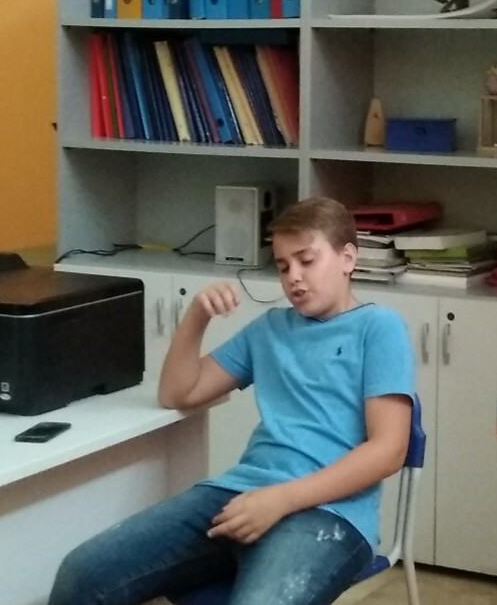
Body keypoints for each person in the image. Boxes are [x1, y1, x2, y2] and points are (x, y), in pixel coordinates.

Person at [51, 197, 415, 605]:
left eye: (306, 261)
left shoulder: (379, 328)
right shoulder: (270, 329)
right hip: (240, 495)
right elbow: (178, 393)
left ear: (347, 258)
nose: (294, 277)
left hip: (331, 515)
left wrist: (281, 499)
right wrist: (197, 316)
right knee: (82, 574)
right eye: (283, 266)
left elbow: (388, 451)